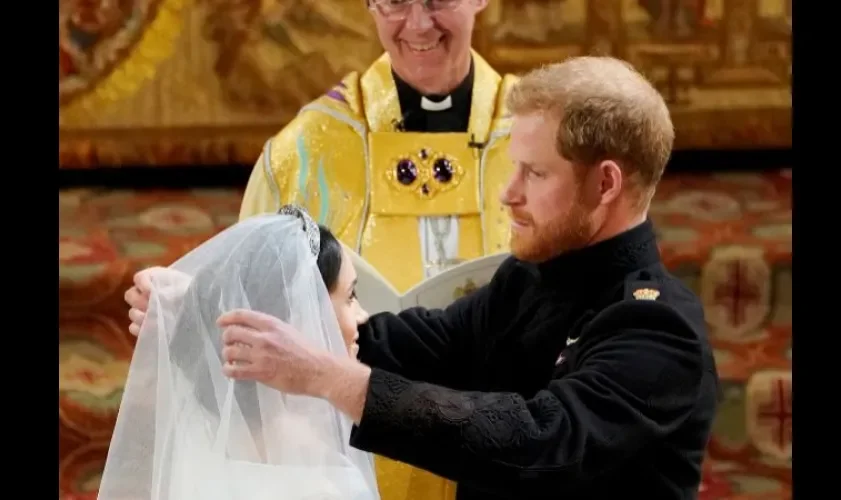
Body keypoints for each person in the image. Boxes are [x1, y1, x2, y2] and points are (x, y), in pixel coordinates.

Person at [129, 56, 720, 499]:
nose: (508, 195)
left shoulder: (658, 329)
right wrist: (207, 310)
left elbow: (539, 441)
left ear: (607, 184)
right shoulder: (530, 280)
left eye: (535, 174)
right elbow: (410, 344)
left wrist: (334, 381)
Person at [238, 0, 517, 296]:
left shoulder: (537, 137)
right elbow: (255, 299)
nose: (419, 25)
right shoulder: (303, 150)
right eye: (395, 2)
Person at [102, 206, 379, 500]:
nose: (364, 315)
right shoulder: (333, 484)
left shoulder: (200, 445)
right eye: (350, 296)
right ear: (302, 315)